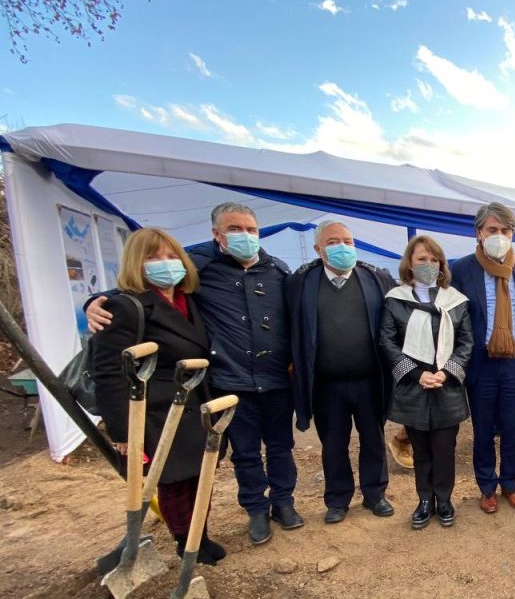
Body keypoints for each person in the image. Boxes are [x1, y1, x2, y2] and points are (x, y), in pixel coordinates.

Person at [87, 203, 299, 546]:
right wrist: (97, 299)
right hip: (230, 383)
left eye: (250, 230)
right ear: (217, 234)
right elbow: (141, 287)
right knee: (244, 451)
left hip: (276, 378)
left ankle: (284, 503)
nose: (244, 236)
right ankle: (256, 511)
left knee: (280, 446)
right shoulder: (202, 267)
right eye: (235, 230)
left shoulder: (278, 271)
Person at [91, 228, 224, 564]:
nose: (165, 263)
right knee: (173, 479)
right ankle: (186, 541)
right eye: (153, 257)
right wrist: (122, 431)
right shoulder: (125, 307)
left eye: (170, 255)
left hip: (194, 401)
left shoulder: (187, 301)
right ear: (137, 263)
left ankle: (200, 535)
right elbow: (108, 372)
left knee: (199, 473)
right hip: (156, 408)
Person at [287, 220, 396, 524]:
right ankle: (338, 499)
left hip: (369, 379)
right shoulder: (302, 283)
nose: (342, 247)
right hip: (326, 383)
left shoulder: (375, 279)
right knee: (333, 443)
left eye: (347, 241)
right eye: (333, 242)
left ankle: (375, 494)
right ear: (318, 248)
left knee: (373, 438)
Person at [379, 236, 473, 529]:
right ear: (409, 262)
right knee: (420, 450)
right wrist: (416, 373)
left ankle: (444, 500)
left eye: (434, 260)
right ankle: (424, 500)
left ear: (442, 265)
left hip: (447, 387)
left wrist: (447, 372)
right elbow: (387, 341)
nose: (429, 265)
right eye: (422, 259)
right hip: (413, 386)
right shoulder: (396, 299)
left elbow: (466, 342)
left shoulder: (455, 301)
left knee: (445, 449)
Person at [450, 202, 515, 514]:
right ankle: (487, 486)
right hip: (480, 362)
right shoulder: (462, 269)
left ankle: (510, 484)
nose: (499, 235)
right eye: (492, 230)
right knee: (484, 428)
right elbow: (456, 320)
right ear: (479, 233)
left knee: (514, 427)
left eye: (505, 230)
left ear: (512, 233)